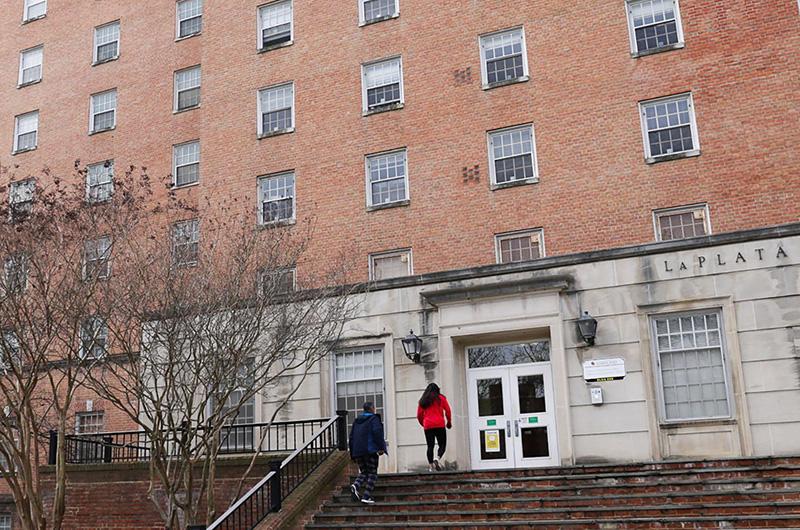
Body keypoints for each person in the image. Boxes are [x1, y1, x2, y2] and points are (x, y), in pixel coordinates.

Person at [348, 402, 387, 505]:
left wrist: (353, 454)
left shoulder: (356, 421)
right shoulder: (374, 419)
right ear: (372, 409)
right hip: (370, 450)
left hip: (358, 451)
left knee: (364, 472)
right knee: (373, 473)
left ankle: (356, 485)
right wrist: (381, 448)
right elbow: (377, 432)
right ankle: (366, 495)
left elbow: (351, 437)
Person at [416, 383, 452, 472]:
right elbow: (448, 410)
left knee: (430, 446)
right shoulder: (441, 398)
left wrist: (423, 424)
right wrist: (449, 422)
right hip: (439, 424)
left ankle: (431, 466)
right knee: (442, 445)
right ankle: (437, 459)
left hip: (428, 425)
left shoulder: (423, 400)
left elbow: (419, 415)